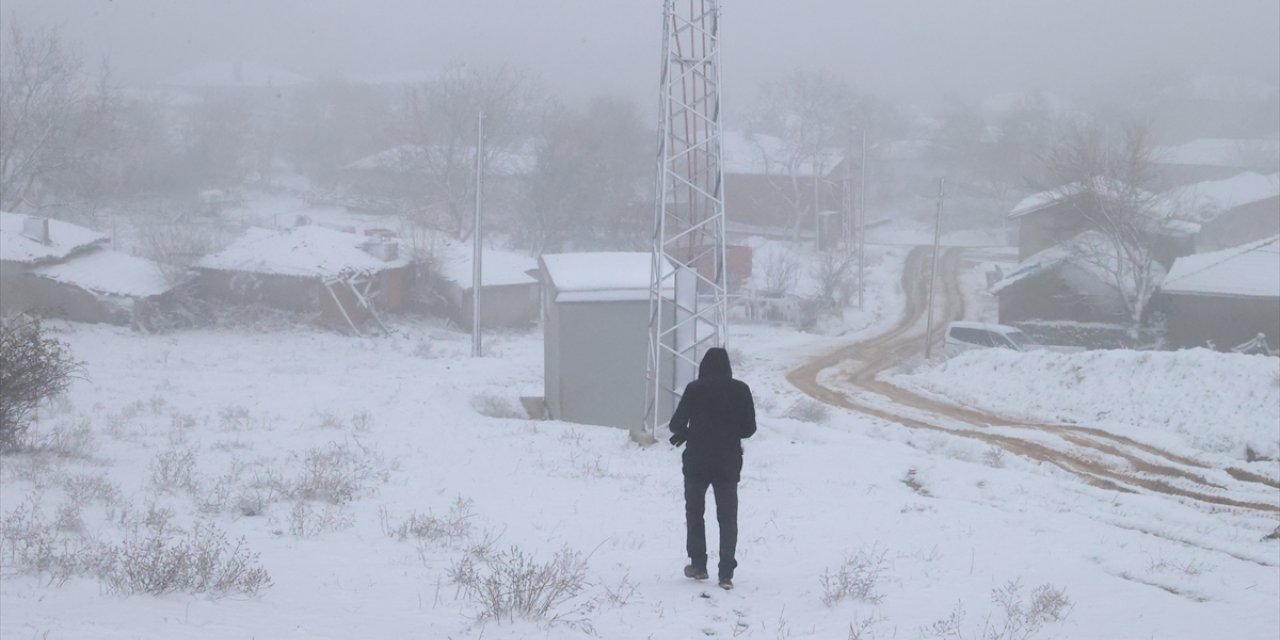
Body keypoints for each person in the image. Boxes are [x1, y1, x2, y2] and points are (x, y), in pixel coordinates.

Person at [668, 347, 757, 590]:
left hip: (697, 460)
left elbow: (676, 424)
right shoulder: (741, 390)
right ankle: (726, 573)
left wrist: (689, 434)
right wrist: (728, 432)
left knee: (695, 512)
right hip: (728, 462)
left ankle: (698, 565)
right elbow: (749, 429)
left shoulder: (694, 389)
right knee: (728, 517)